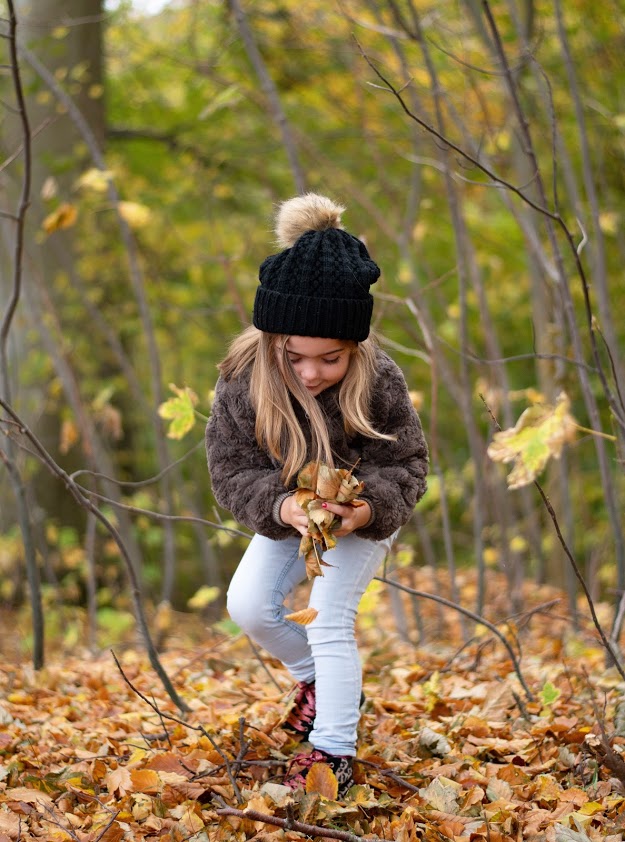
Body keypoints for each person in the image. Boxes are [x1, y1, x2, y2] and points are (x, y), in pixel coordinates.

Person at [205, 193, 428, 798]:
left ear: (353, 348)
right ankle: (322, 682)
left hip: (360, 514)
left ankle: (333, 749)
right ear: (271, 336)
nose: (310, 372)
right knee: (248, 606)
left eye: (329, 359)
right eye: (295, 355)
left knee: (329, 617)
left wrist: (366, 509)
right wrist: (282, 506)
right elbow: (229, 467)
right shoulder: (242, 381)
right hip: (288, 512)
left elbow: (406, 460)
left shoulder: (379, 379)